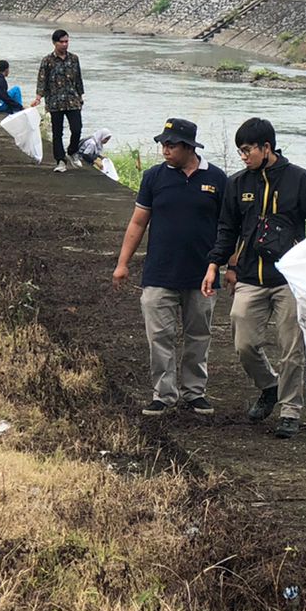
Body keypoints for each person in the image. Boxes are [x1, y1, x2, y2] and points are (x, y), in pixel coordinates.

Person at [203, 117, 306, 439]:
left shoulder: (299, 179)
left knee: (291, 346)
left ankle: (290, 411)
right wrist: (214, 265)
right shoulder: (237, 185)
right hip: (249, 275)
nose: (244, 156)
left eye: (248, 150)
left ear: (266, 147)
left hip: (289, 278)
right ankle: (269, 386)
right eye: (240, 151)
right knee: (243, 339)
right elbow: (227, 230)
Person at [113, 117, 228, 417]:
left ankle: (194, 392)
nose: (165, 150)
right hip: (159, 272)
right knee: (160, 335)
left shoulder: (217, 179)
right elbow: (138, 222)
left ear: (189, 147)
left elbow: (228, 227)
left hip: (202, 274)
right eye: (163, 144)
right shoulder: (153, 178)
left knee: (199, 334)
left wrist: (230, 264)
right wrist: (122, 263)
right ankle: (163, 394)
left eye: (171, 145)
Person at [32, 28, 85, 173]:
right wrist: (38, 97)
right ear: (55, 43)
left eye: (67, 41)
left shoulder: (74, 59)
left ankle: (72, 151)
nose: (65, 44)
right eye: (62, 42)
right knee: (57, 132)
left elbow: (78, 78)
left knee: (77, 128)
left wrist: (81, 95)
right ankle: (60, 160)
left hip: (72, 99)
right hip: (55, 102)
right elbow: (42, 80)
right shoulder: (47, 61)